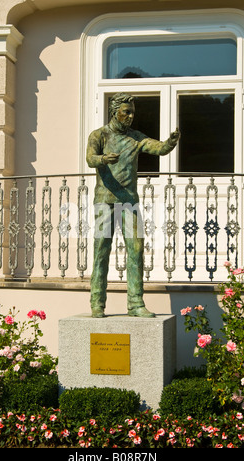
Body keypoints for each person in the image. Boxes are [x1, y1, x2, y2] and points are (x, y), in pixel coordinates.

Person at [86, 92, 180, 318]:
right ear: (114, 111)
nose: (130, 116)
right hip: (104, 201)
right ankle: (97, 303)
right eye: (126, 112)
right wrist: (102, 159)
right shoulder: (99, 135)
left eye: (132, 113)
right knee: (101, 251)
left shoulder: (136, 138)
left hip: (129, 203)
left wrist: (170, 143)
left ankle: (136, 303)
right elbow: (90, 158)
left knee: (136, 249)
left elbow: (157, 148)